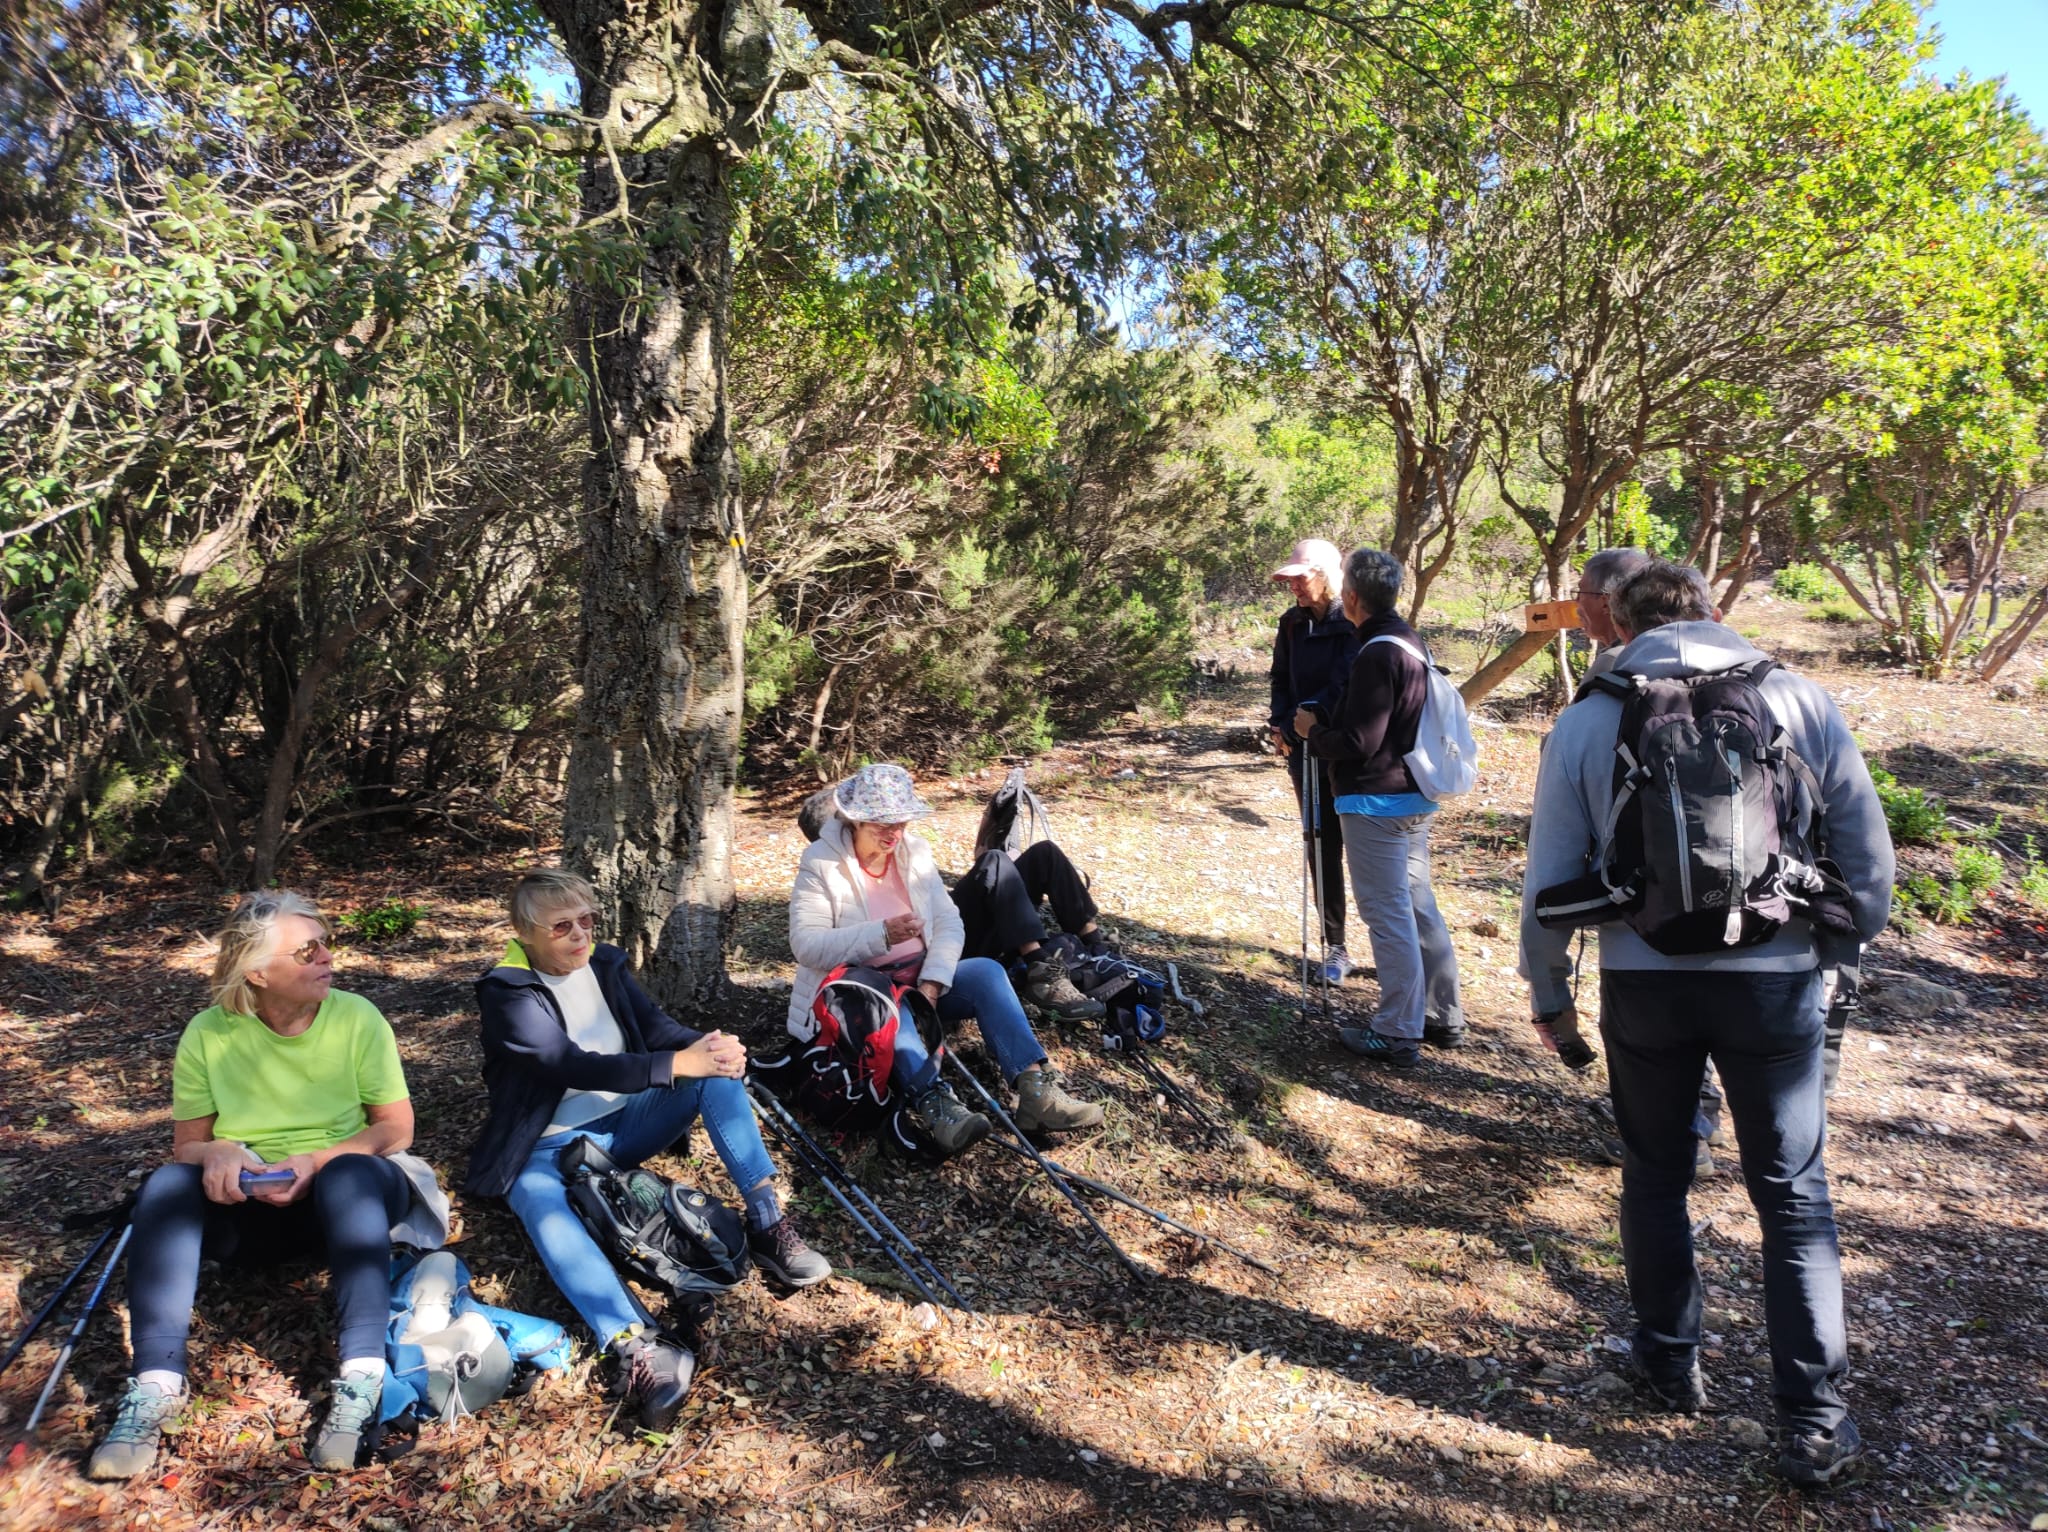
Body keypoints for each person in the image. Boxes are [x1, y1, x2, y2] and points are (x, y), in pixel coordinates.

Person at [1518, 559, 1893, 1490]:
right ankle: (1814, 1420)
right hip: (1776, 981)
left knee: (1655, 1175)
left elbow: (1549, 879)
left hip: (1644, 981)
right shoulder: (1798, 699)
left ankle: (1667, 1361)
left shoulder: (1589, 717)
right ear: (1714, 609)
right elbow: (1868, 862)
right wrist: (1837, 945)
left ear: (1618, 624)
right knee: (1793, 1193)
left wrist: (1550, 996)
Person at [87, 892, 452, 1480]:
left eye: (326, 943)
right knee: (166, 1186)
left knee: (348, 1172)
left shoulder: (356, 1017)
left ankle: (361, 1379)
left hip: (347, 1203)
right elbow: (187, 1148)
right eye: (307, 950)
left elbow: (396, 1128)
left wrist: (317, 1160)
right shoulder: (208, 1033)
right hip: (252, 1206)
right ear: (256, 972)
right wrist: (220, 1152)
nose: (327, 957)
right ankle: (155, 1385)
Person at [467, 868, 831, 1433]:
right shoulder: (506, 991)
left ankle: (768, 1223)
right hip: (545, 1145)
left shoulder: (605, 964)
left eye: (587, 920)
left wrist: (707, 1047)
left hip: (624, 1125)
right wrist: (676, 1064)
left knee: (714, 1075)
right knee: (539, 1205)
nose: (580, 934)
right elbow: (569, 1064)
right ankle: (636, 1342)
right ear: (525, 932)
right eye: (562, 926)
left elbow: (658, 1030)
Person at [789, 763, 1105, 1154]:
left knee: (986, 972)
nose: (894, 834)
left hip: (921, 977)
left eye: (901, 822)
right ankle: (937, 1105)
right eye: (882, 824)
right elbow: (806, 945)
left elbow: (949, 923)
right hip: (862, 993)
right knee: (887, 1006)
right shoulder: (821, 862)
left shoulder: (914, 852)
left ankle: (1036, 1093)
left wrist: (933, 981)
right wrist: (881, 934)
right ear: (855, 819)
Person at [1299, 548, 1468, 1065]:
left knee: (1387, 914)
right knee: (1416, 905)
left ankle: (1397, 1031)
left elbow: (1360, 741)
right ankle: (1442, 1016)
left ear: (1351, 596)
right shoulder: (1409, 640)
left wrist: (1312, 733)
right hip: (1413, 795)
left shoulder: (1377, 653)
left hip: (1376, 802)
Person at [1268, 537, 1360, 984]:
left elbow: (1346, 685)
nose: (1294, 588)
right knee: (1320, 843)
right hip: (1302, 749)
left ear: (1325, 576)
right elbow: (1280, 678)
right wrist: (1281, 724)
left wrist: (1307, 719)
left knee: (1363, 846)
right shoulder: (1292, 623)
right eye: (1289, 581)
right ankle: (1335, 946)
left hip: (1347, 748)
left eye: (1300, 579)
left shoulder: (1353, 622)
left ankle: (1395, 947)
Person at [1575, 547, 1651, 679]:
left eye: (1581, 593)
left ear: (1606, 603)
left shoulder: (1612, 662)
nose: (1576, 601)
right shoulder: (1662, 649)